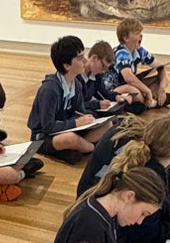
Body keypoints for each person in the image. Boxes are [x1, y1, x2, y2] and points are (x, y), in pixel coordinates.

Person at [27, 35, 112, 165]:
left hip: (67, 128)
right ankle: (93, 149)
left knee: (107, 125)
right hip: (44, 136)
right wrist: (76, 123)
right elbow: (48, 127)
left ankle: (80, 148)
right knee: (71, 139)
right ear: (67, 65)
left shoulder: (76, 84)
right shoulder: (50, 90)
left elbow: (80, 112)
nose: (85, 60)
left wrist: (88, 120)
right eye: (80, 58)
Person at [106, 17, 170, 109]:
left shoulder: (139, 51)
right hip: (113, 89)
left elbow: (161, 67)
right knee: (133, 90)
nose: (141, 36)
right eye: (137, 33)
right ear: (126, 38)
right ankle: (151, 102)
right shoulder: (121, 52)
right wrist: (147, 91)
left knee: (162, 79)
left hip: (127, 85)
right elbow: (129, 77)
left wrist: (161, 88)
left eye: (140, 33)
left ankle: (147, 100)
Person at [76, 40, 142, 114]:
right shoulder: (77, 75)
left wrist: (116, 96)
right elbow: (77, 105)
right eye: (103, 66)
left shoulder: (96, 75)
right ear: (94, 58)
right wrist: (98, 104)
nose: (103, 71)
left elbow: (104, 92)